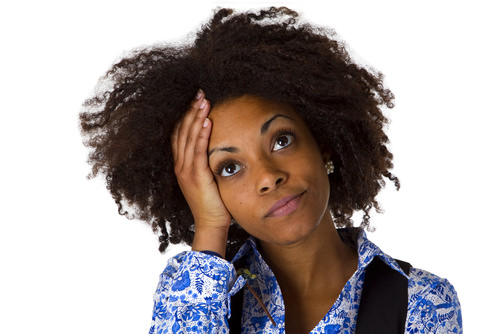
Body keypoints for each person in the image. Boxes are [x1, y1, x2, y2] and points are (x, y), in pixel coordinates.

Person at [80, 7, 462, 334]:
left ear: (322, 141)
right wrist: (210, 226)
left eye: (281, 140)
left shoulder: (421, 302)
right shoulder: (197, 293)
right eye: (229, 168)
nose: (267, 177)